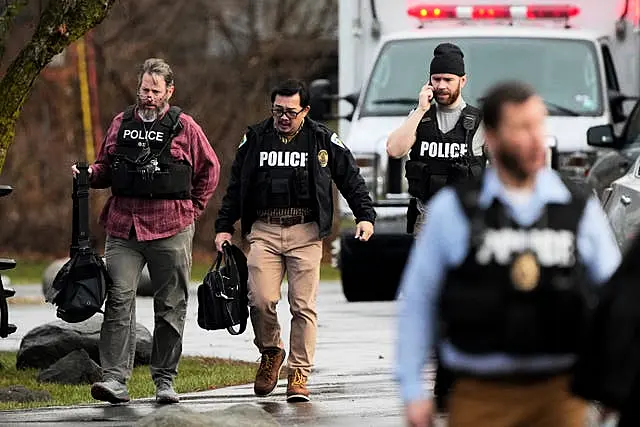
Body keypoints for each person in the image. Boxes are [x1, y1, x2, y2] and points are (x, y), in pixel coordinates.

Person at [395, 80, 621, 427]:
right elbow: (418, 301)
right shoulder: (454, 211)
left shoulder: (575, 209)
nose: (536, 139)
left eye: (539, 126)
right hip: (480, 395)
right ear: (494, 139)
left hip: (560, 395)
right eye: (522, 128)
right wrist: (412, 389)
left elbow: (615, 298)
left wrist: (616, 382)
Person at [214, 78, 376, 402]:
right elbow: (237, 185)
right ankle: (271, 350)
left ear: (305, 110)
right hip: (265, 230)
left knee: (303, 306)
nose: (283, 117)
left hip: (306, 231)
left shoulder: (321, 139)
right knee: (260, 299)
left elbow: (350, 177)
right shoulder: (256, 138)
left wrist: (365, 215)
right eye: (277, 110)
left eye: (290, 111)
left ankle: (299, 372)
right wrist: (224, 225)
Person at [71, 58, 220, 405]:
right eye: (143, 89)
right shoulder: (121, 123)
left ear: (169, 90)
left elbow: (210, 170)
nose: (148, 96)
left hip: (171, 227)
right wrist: (88, 174)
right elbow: (107, 167)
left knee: (170, 305)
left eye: (155, 90)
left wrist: (192, 210)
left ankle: (165, 380)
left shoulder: (185, 127)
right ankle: (114, 380)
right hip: (124, 227)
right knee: (120, 299)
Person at [386, 42, 486, 237]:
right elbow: (394, 150)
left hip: (465, 218)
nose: (441, 86)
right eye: (436, 79)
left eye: (448, 79)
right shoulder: (419, 116)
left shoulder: (479, 122)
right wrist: (421, 109)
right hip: (426, 217)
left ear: (462, 81)